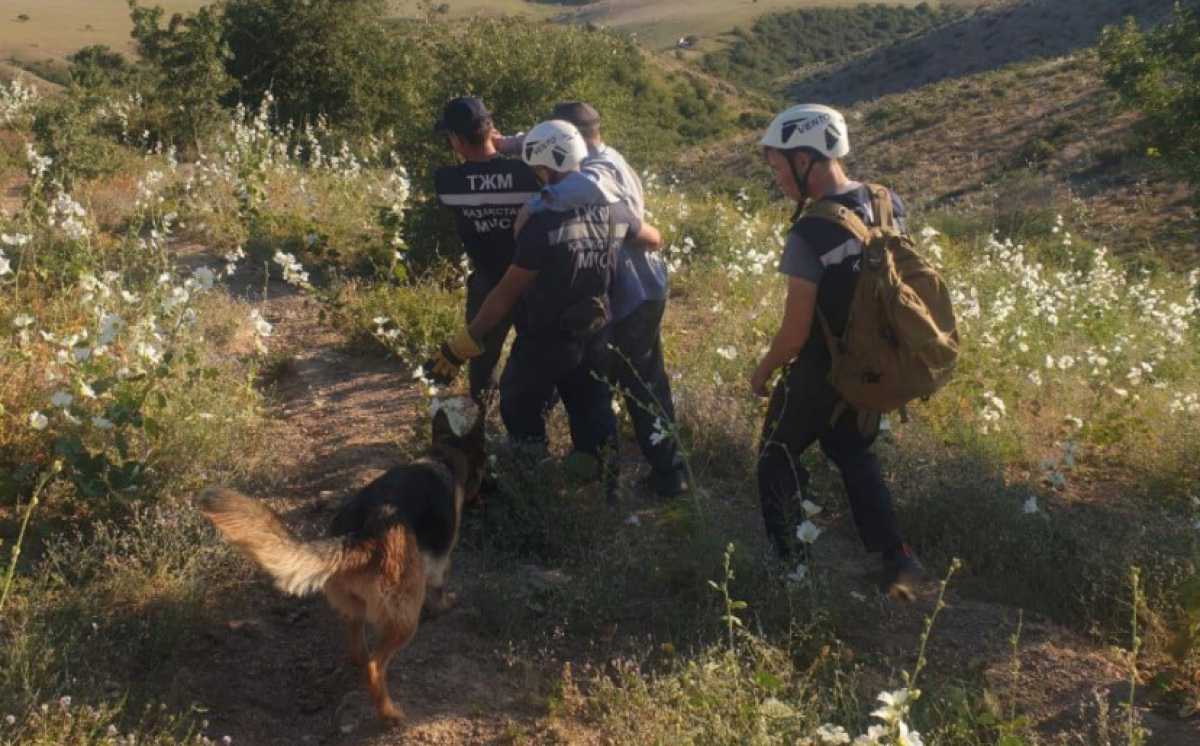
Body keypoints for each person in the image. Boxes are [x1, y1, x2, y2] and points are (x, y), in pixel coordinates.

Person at [429, 120, 664, 502]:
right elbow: (654, 238)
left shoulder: (542, 224)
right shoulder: (612, 210)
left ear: (541, 166)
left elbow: (505, 294)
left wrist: (464, 342)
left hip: (546, 335)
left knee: (519, 402)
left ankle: (532, 481)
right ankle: (602, 485)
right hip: (595, 330)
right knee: (591, 404)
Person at [749, 103, 922, 599]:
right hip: (874, 364)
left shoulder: (811, 231)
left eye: (780, 167)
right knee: (852, 450)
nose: (778, 178)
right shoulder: (888, 202)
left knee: (776, 458)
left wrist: (762, 372)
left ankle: (792, 572)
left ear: (807, 159)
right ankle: (898, 559)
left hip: (822, 371)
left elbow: (794, 334)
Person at [497, 102, 688, 498]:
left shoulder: (596, 175)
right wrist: (505, 144)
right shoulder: (601, 152)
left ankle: (670, 475)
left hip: (633, 290)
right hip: (637, 284)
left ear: (571, 140)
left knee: (640, 384)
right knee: (614, 379)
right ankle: (607, 465)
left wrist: (532, 206)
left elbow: (584, 194)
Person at [432, 96, 541, 406]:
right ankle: (530, 416)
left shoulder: (447, 182)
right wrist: (507, 145)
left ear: (456, 139)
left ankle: (482, 411)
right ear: (490, 128)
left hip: (488, 280)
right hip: (531, 278)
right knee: (535, 352)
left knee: (481, 353)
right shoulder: (527, 174)